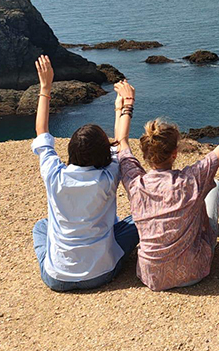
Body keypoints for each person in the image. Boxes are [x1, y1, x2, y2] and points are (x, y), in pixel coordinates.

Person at [113, 80, 219, 291]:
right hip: (194, 271)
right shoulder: (191, 179)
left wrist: (124, 105)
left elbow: (121, 141)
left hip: (151, 276)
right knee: (214, 187)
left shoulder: (135, 183)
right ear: (174, 154)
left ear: (146, 155)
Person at [30, 55, 138, 292]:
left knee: (41, 226)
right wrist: (123, 106)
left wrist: (45, 88)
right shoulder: (108, 176)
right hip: (102, 272)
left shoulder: (54, 175)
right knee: (139, 220)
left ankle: (59, 261)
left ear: (71, 150)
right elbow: (120, 142)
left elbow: (41, 131)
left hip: (57, 278)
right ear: (103, 152)